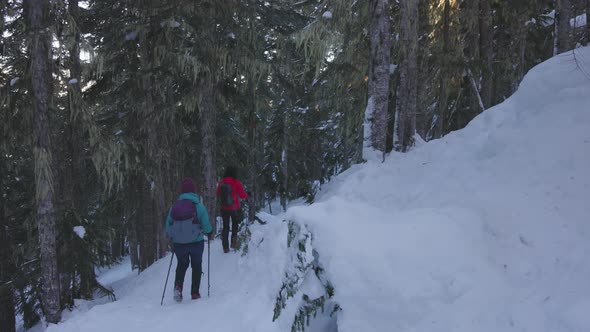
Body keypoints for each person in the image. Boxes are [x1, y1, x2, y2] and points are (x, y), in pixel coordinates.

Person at [165, 177, 212, 302]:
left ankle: (178, 287)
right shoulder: (199, 207)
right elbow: (206, 226)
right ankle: (195, 292)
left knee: (181, 265)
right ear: (194, 191)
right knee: (196, 265)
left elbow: (168, 226)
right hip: (196, 242)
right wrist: (208, 231)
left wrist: (174, 235)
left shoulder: (174, 207)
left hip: (179, 244)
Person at [216, 166, 248, 253]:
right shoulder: (236, 182)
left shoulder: (221, 182)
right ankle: (233, 244)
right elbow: (242, 195)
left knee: (225, 227)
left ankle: (225, 247)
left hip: (224, 208)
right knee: (234, 225)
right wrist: (247, 194)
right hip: (234, 208)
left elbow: (217, 193)